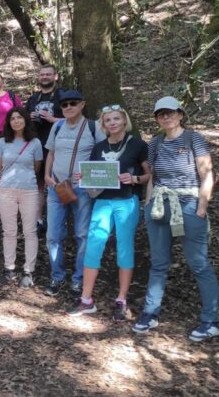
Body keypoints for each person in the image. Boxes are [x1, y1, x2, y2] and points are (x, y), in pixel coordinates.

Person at [133, 97, 219, 342]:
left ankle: (210, 320)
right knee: (159, 262)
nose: (166, 117)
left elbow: (207, 175)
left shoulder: (194, 139)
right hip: (160, 206)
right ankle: (150, 313)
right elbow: (152, 176)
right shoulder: (156, 143)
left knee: (198, 263)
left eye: (170, 113)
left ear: (180, 114)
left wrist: (201, 209)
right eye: (161, 114)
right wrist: (148, 205)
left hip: (189, 204)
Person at [67, 105, 149, 320]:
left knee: (124, 248)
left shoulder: (137, 144)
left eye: (116, 119)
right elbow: (96, 177)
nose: (112, 123)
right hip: (103, 202)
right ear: (103, 124)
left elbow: (149, 174)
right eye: (108, 120)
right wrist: (83, 177)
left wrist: (135, 179)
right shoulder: (99, 146)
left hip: (126, 201)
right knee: (93, 246)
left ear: (124, 120)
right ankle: (86, 300)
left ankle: (121, 300)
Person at [43, 90, 105, 297]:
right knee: (53, 235)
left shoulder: (93, 127)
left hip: (82, 189)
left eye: (73, 103)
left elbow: (103, 156)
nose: (68, 107)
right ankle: (57, 276)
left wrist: (90, 178)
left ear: (82, 105)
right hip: (56, 186)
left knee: (82, 234)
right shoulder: (57, 126)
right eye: (64, 104)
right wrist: (46, 175)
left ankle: (79, 279)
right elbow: (51, 152)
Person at [0, 107, 43, 288]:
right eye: (12, 118)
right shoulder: (2, 142)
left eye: (19, 117)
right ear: (8, 122)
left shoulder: (35, 143)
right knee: (9, 231)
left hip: (29, 190)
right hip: (6, 190)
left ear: (25, 120)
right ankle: (9, 269)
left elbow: (36, 168)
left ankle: (29, 271)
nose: (16, 121)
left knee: (30, 232)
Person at [25, 65, 65, 229]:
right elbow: (22, 120)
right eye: (42, 74)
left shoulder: (63, 96)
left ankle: (60, 220)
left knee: (59, 181)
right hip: (37, 144)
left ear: (55, 76)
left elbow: (72, 121)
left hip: (59, 145)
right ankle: (38, 219)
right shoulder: (34, 97)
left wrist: (51, 118)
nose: (45, 77)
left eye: (48, 74)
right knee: (39, 183)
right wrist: (30, 117)